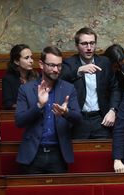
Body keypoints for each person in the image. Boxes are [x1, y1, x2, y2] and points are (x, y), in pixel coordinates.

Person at [15, 46, 82, 174]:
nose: (56, 70)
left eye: (59, 66)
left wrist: (65, 113)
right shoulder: (26, 89)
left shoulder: (69, 88)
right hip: (33, 154)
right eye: (51, 65)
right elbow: (19, 121)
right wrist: (39, 105)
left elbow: (78, 119)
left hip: (59, 154)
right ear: (41, 64)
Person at [61, 27, 121, 139]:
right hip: (78, 120)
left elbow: (115, 89)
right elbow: (59, 81)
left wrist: (113, 110)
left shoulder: (104, 62)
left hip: (101, 119)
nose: (89, 48)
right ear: (77, 46)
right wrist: (78, 71)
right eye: (84, 44)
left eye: (92, 43)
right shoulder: (69, 64)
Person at [2, 44, 38, 109]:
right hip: (19, 115)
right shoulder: (8, 79)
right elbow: (8, 104)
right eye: (27, 58)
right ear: (16, 61)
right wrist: (28, 107)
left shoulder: (36, 76)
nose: (31, 61)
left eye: (31, 57)